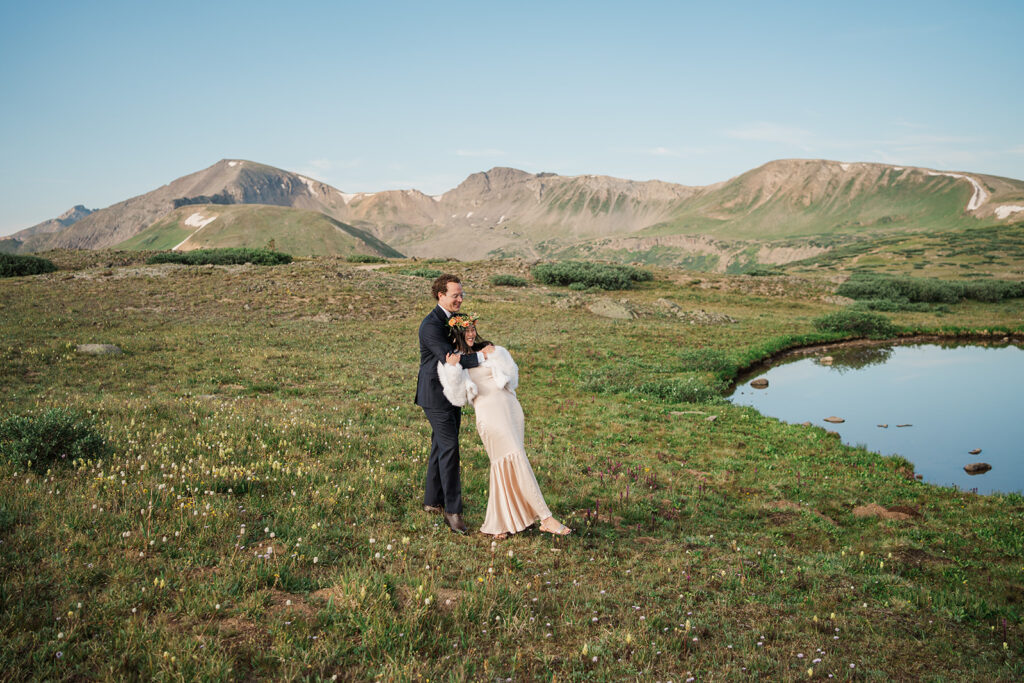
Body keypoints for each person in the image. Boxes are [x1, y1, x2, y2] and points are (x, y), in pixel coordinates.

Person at [437, 314, 571, 539]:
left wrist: (498, 355)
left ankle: (499, 523)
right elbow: (457, 397)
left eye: (472, 330)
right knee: (513, 457)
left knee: (508, 464)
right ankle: (545, 517)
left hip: (510, 408)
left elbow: (512, 376)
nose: (470, 334)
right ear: (457, 334)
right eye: (466, 331)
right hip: (488, 414)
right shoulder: (453, 360)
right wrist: (452, 369)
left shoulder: (488, 349)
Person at [415, 274, 494, 534]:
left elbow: (466, 343)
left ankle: (432, 501)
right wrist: (482, 358)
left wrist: (485, 346)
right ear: (441, 295)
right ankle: (453, 511)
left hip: (453, 392)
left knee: (440, 444)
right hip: (436, 394)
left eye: (461, 294)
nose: (460, 299)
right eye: (455, 295)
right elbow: (450, 358)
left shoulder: (457, 320)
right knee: (450, 448)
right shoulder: (430, 325)